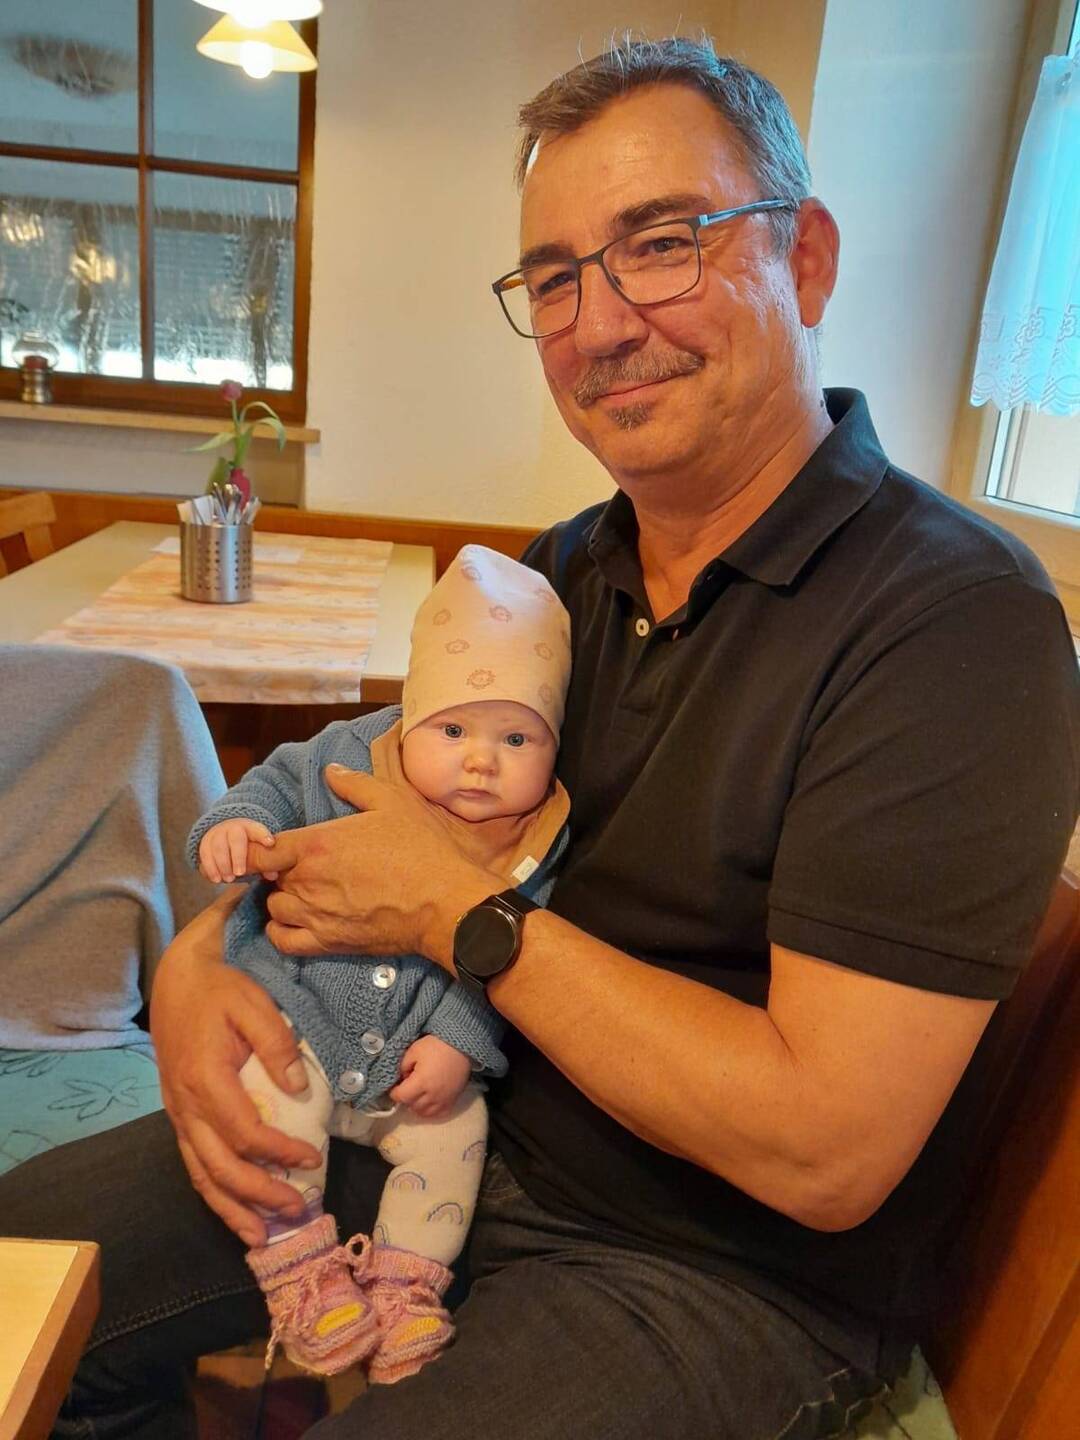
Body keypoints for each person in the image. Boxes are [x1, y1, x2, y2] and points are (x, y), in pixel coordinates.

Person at [2, 35, 1077, 1440]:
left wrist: (465, 918)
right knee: (19, 1275)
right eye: (555, 277)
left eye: (663, 244)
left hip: (711, 1270)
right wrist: (201, 960)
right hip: (431, 1119)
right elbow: (355, 805)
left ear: (806, 259)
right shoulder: (557, 574)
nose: (601, 322)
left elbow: (826, 1151)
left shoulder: (956, 625)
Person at [187, 545, 570, 1383]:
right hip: (303, 1017)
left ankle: (404, 1290)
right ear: (411, 714)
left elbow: (516, 959)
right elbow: (267, 787)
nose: (482, 761)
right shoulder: (344, 756)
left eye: (517, 738)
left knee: (456, 1138)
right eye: (453, 730)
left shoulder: (534, 834)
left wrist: (459, 1042)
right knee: (269, 1104)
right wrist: (235, 827)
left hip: (414, 1065)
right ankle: (301, 1271)